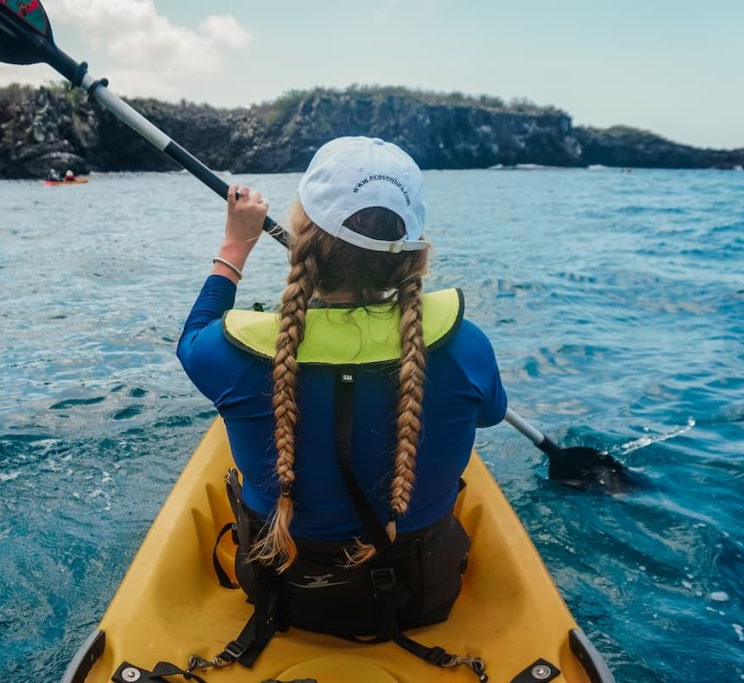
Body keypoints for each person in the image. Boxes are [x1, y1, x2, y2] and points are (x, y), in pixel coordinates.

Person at [176, 136, 505, 674]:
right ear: (413, 247)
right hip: (424, 595)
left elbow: (191, 338)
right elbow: (490, 413)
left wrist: (235, 247)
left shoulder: (230, 352)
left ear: (301, 232)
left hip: (288, 597)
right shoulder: (466, 346)